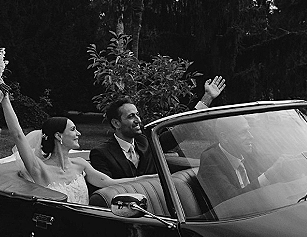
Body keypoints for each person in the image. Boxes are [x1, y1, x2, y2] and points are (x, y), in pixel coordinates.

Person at [0, 86, 157, 205]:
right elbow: (18, 135)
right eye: (73, 129)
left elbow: (110, 183)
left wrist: (151, 178)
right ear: (58, 136)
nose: (79, 133)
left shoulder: (81, 164)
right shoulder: (39, 169)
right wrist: (5, 99)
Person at [89, 76, 226, 180]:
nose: (138, 120)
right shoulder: (101, 154)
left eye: (137, 115)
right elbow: (106, 190)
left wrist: (207, 98)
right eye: (131, 116)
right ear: (116, 123)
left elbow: (181, 131)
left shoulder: (146, 141)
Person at [196, 115, 264, 206]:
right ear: (224, 137)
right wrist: (267, 177)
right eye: (243, 132)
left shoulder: (248, 152)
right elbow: (232, 202)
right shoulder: (211, 160)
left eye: (249, 130)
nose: (251, 136)